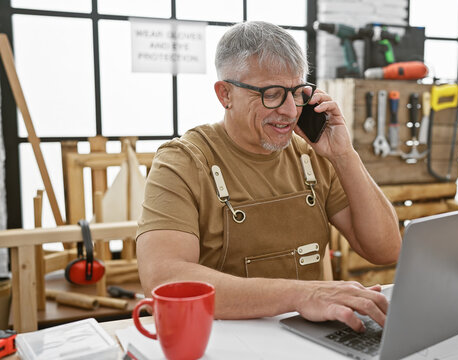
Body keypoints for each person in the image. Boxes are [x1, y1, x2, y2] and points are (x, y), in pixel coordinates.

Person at [136, 21, 401, 332]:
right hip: (226, 343)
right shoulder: (183, 162)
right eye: (272, 94)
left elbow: (386, 250)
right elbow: (165, 279)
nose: (290, 110)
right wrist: (305, 295)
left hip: (310, 337)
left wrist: (345, 156)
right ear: (226, 94)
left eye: (297, 92)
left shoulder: (311, 155)